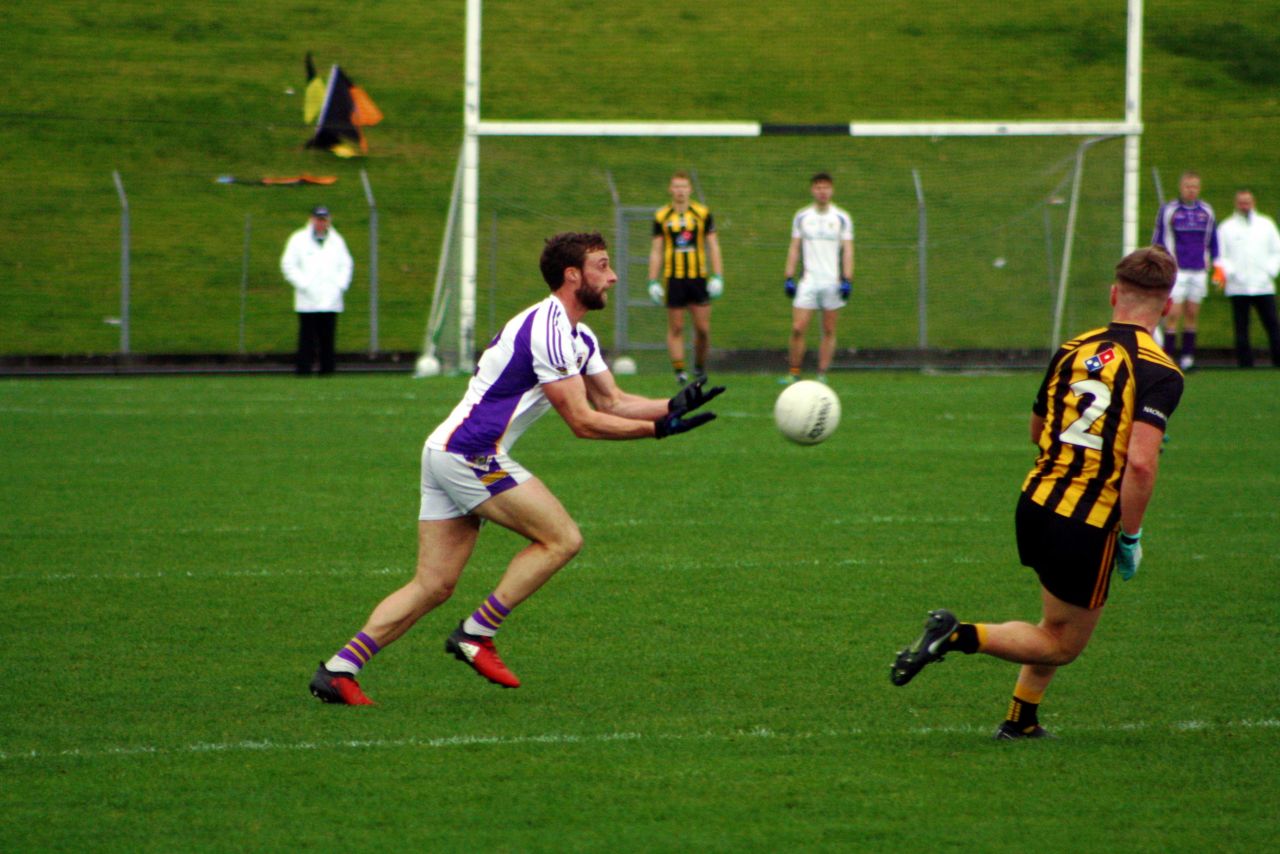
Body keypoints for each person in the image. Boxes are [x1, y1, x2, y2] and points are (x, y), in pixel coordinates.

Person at [309, 232, 723, 705]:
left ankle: (339, 670)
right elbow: (584, 422)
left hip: (446, 450)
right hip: (470, 452)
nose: (611, 277)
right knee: (562, 539)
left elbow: (613, 400)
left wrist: (670, 405)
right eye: (603, 266)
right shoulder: (547, 329)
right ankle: (476, 634)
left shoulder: (576, 333)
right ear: (573, 275)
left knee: (434, 584)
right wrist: (660, 430)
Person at [889, 245, 1183, 740]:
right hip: (1086, 521)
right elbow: (1140, 463)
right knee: (1060, 644)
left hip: (1036, 503)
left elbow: (1037, 429)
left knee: (1054, 621)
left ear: (1114, 294)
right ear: (1168, 305)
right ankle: (957, 636)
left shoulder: (1072, 350)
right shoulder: (1161, 371)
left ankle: (1021, 720)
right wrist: (1130, 537)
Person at [647, 171, 724, 384]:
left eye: (684, 186)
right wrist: (652, 280)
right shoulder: (662, 216)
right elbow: (656, 250)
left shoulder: (702, 213)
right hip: (674, 278)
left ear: (690, 189)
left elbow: (713, 245)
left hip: (698, 278)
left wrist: (718, 276)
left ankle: (699, 367)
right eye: (676, 186)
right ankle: (680, 371)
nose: (680, 191)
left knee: (703, 329)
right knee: (676, 327)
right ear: (670, 189)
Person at [781, 172, 854, 384]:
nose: (822, 191)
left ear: (832, 190)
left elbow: (848, 250)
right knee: (798, 327)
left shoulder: (841, 218)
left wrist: (847, 279)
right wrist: (789, 275)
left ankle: (822, 374)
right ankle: (794, 372)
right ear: (813, 190)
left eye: (826, 187)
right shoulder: (802, 216)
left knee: (829, 329)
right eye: (818, 187)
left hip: (832, 282)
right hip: (808, 282)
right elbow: (795, 247)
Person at [1152, 171, 1218, 370]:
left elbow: (1213, 239)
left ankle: (1188, 357)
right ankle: (1168, 358)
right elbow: (1159, 238)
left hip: (1198, 270)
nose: (1191, 190)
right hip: (1177, 270)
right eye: (1188, 186)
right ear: (1181, 187)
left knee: (1192, 314)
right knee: (1173, 314)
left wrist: (1218, 264)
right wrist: (1162, 262)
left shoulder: (1206, 211)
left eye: (1195, 186)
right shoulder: (1169, 210)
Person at [280, 205, 353, 375]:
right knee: (307, 339)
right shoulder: (298, 239)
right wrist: (304, 284)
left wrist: (340, 286)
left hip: (331, 298)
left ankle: (327, 371)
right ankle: (303, 371)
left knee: (327, 339)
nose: (321, 223)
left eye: (324, 220)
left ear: (329, 221)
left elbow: (347, 264)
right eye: (318, 219)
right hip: (308, 299)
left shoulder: (337, 240)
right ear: (311, 220)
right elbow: (288, 264)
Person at [1214, 189, 1280, 368]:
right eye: (1241, 202)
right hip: (1238, 286)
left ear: (1253, 202)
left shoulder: (1266, 224)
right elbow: (1220, 255)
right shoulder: (1227, 227)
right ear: (1236, 203)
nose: (1245, 205)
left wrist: (1270, 270)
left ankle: (1278, 360)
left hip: (1263, 285)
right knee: (1241, 327)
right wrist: (1232, 272)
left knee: (1273, 324)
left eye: (1247, 202)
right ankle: (1245, 364)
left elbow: (1276, 250)